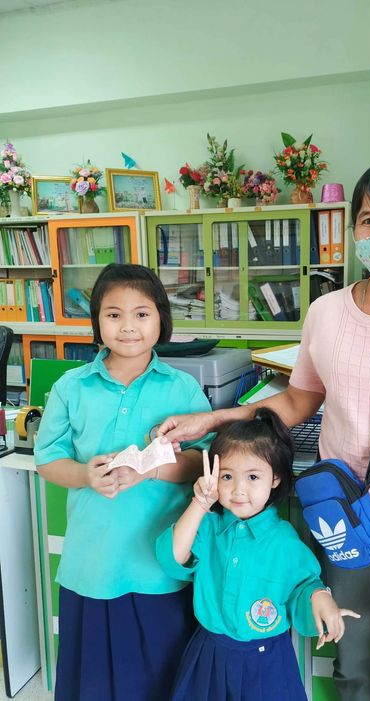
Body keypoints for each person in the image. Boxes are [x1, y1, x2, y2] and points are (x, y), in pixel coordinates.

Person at [157, 158, 370, 700]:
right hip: (339, 521)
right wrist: (214, 418)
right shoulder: (326, 313)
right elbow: (298, 401)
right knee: (351, 664)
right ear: (353, 230)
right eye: (369, 220)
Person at [34, 263, 212, 701]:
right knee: (93, 683)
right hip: (92, 565)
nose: (128, 326)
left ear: (161, 319)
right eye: (113, 314)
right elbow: (47, 461)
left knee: (162, 680)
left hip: (161, 566)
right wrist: (85, 475)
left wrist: (150, 470)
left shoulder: (183, 389)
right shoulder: (71, 387)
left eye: (142, 314)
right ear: (96, 320)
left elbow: (204, 463)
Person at [156, 407, 359, 701]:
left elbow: (304, 587)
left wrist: (320, 598)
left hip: (267, 664)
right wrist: (199, 504)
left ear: (275, 478)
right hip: (209, 656)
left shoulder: (284, 540)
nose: (238, 490)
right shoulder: (208, 526)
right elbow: (172, 558)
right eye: (227, 476)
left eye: (253, 476)